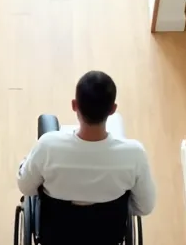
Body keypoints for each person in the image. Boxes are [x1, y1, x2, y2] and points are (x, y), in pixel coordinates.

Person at [16, 71, 157, 216]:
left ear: (74, 105)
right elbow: (144, 207)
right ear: (113, 109)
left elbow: (26, 187)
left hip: (54, 234)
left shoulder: (47, 147)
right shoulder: (134, 155)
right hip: (108, 234)